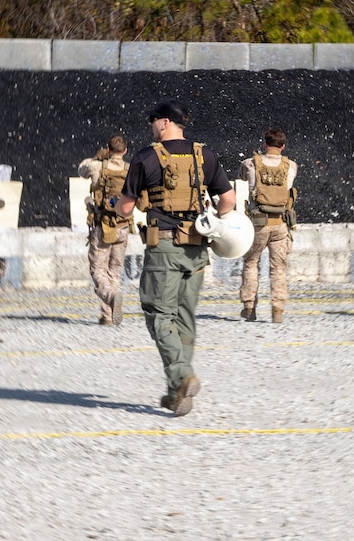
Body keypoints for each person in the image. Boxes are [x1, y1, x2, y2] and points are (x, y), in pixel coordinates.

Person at [115, 99, 236, 417]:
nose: (151, 126)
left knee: (158, 316)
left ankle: (183, 376)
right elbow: (228, 200)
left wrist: (118, 205)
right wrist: (210, 220)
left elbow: (127, 208)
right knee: (184, 318)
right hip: (197, 250)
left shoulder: (146, 158)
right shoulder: (204, 155)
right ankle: (176, 394)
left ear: (165, 122)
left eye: (154, 120)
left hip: (164, 249)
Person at [238, 129, 298, 324]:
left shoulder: (249, 163)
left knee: (250, 263)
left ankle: (249, 307)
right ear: (283, 146)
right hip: (280, 224)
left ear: (265, 144)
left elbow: (242, 177)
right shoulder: (291, 166)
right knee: (278, 267)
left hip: (257, 224)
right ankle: (277, 309)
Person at [78, 135, 132, 326]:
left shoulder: (97, 167)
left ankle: (110, 297)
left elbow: (81, 170)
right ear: (125, 151)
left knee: (97, 270)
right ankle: (108, 316)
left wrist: (97, 158)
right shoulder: (129, 170)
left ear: (108, 149)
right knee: (114, 271)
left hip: (103, 226)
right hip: (123, 226)